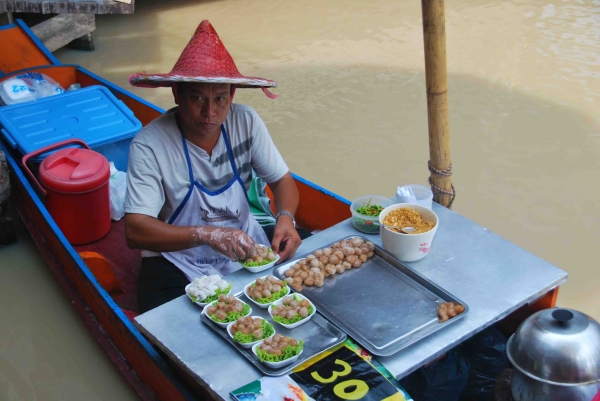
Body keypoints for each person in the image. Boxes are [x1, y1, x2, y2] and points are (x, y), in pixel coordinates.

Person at [124, 20, 308, 313]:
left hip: (245, 242)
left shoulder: (245, 123)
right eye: (197, 98)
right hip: (177, 256)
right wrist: (206, 234)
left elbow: (282, 181)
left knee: (306, 272)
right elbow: (135, 231)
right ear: (177, 94)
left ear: (232, 95)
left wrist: (286, 219)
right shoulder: (150, 145)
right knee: (166, 321)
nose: (209, 113)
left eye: (220, 98)